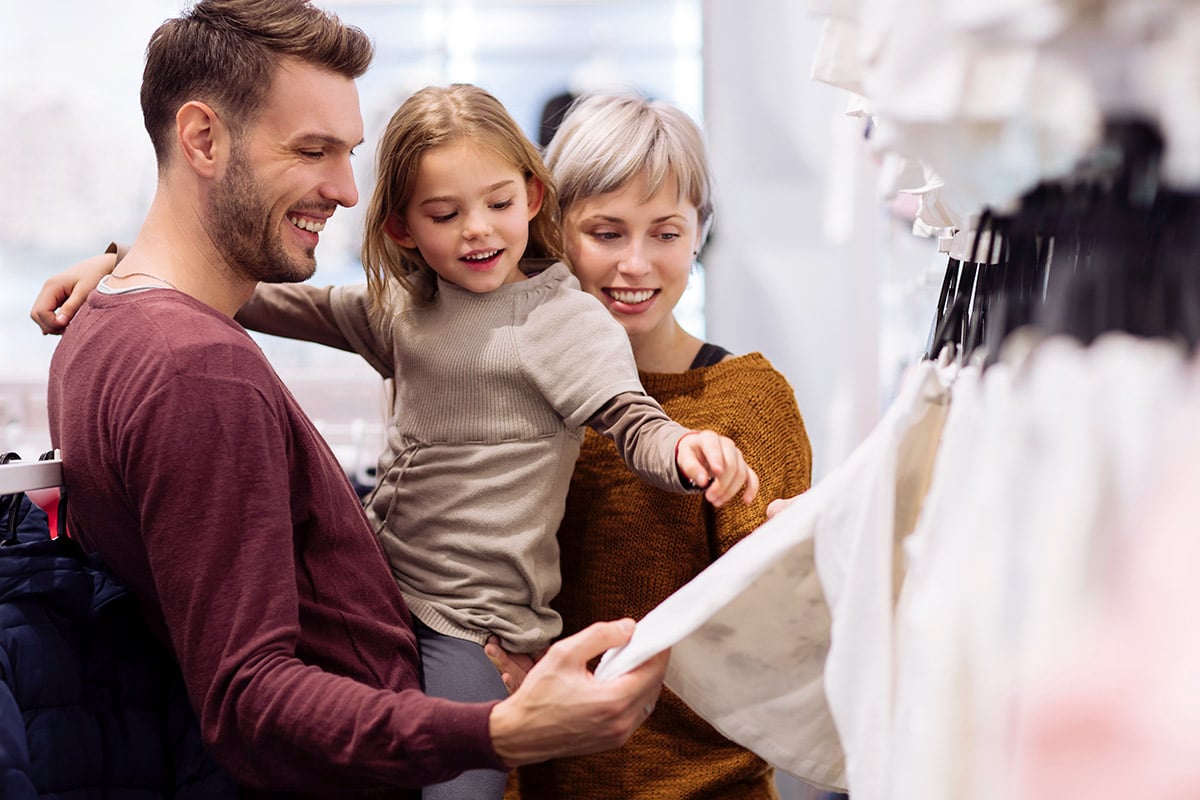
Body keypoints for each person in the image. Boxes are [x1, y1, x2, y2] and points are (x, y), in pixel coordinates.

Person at [34, 2, 670, 797]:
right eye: (311, 150)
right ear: (202, 139)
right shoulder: (198, 371)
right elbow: (249, 695)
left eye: (348, 154)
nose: (343, 188)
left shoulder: (105, 320)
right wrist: (495, 729)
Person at [495, 92, 815, 799]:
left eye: (665, 233)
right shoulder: (504, 384)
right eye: (607, 233)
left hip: (708, 787)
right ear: (553, 227)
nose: (636, 265)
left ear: (700, 233)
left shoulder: (746, 400)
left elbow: (771, 637)